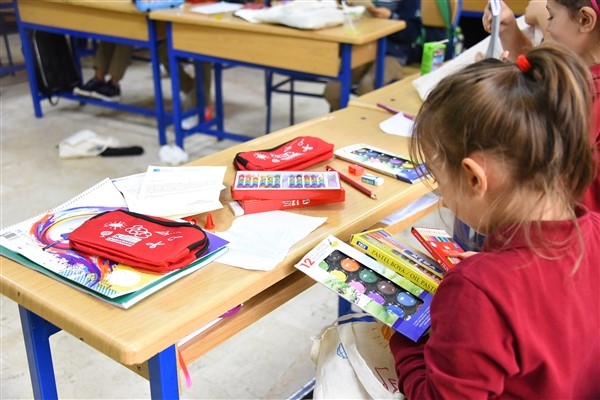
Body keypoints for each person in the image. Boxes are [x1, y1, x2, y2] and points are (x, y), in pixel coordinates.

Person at [390, 43, 600, 398]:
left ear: (473, 178)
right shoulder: (593, 228)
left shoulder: (477, 290)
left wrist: (406, 336)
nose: (443, 195)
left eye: (440, 182)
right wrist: (494, 272)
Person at [483, 0, 600, 210]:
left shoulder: (581, 96)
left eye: (551, 16)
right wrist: (508, 30)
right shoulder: (579, 79)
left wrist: (501, 97)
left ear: (585, 20)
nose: (548, 29)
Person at [323, 0, 432, 110]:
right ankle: (343, 121)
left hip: (393, 52)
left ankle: (360, 122)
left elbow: (412, 33)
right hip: (362, 49)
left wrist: (391, 16)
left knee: (368, 86)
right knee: (334, 91)